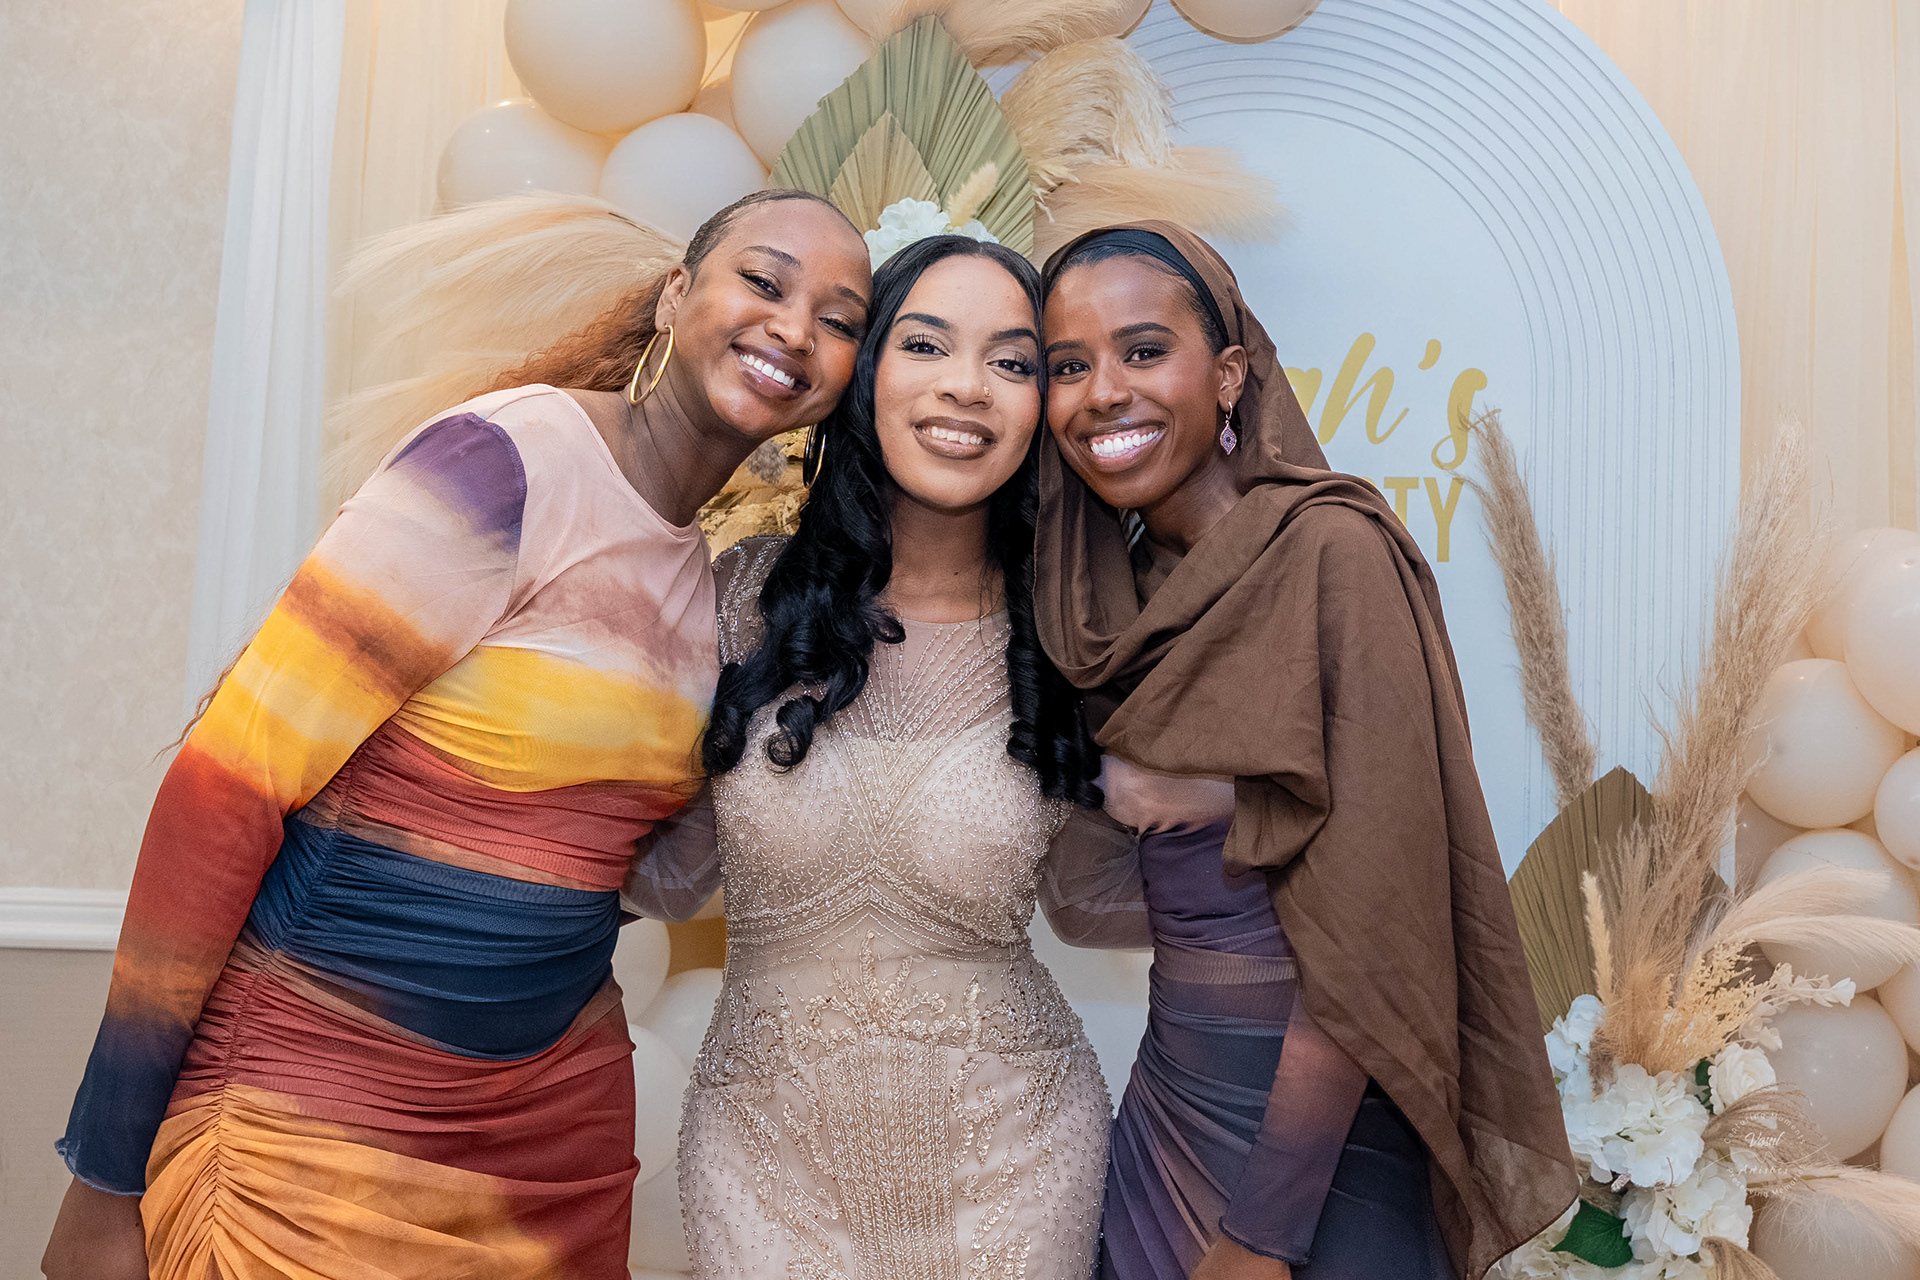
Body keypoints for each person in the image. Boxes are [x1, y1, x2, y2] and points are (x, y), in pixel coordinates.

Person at [41, 189, 873, 1280]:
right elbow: (225, 792)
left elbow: (588, 864)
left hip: (542, 1159)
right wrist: (106, 1170)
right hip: (312, 1124)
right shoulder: (504, 463)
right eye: (763, 281)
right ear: (676, 295)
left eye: (840, 319)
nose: (795, 327)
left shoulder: (711, 586)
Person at [1034, 222, 1577, 1280]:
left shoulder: (1334, 552)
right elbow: (1090, 886)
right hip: (1168, 1124)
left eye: (1144, 350)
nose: (1102, 392)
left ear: (1230, 374)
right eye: (1067, 364)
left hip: (1319, 1154)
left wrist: (1262, 1234)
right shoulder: (1103, 601)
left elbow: (1373, 924)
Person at [624, 233, 1136, 1280]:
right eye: (926, 344)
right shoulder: (742, 596)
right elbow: (664, 876)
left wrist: (1223, 808)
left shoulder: (1073, 635)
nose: (966, 387)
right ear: (864, 375)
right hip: (766, 1169)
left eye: (1011, 361)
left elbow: (1091, 904)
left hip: (1015, 1169)